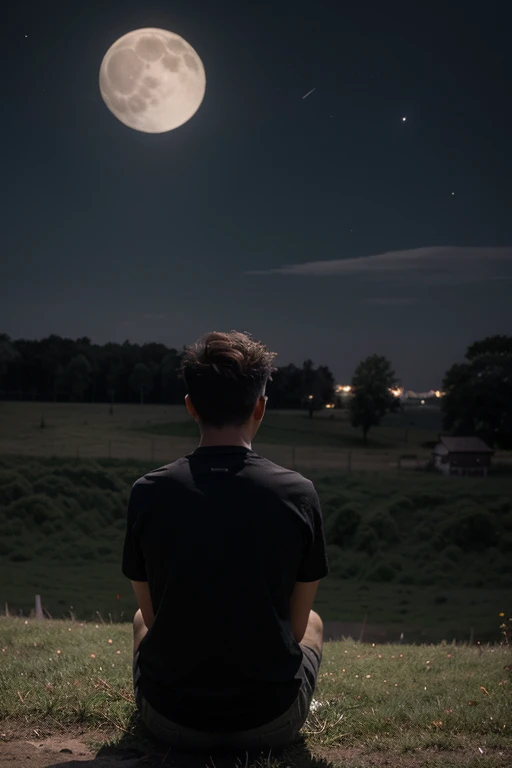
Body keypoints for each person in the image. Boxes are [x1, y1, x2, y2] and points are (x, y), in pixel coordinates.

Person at [122, 330, 329, 753]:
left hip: (168, 720)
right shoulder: (299, 493)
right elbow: (293, 627)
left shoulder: (148, 491)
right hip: (270, 722)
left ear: (190, 406)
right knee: (314, 623)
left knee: (141, 621)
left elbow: (153, 615)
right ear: (261, 407)